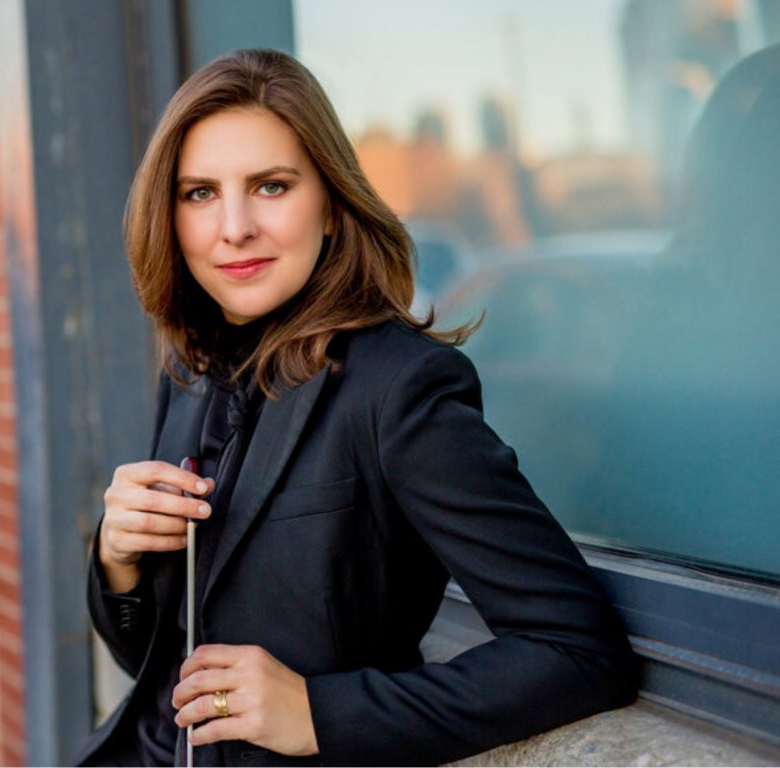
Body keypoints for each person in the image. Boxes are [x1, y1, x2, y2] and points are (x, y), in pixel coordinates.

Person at [76, 48, 636, 767]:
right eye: (200, 193)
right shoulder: (189, 370)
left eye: (271, 186)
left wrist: (320, 713)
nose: (234, 226)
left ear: (333, 206)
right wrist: (117, 558)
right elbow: (161, 668)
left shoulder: (401, 388)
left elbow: (578, 647)